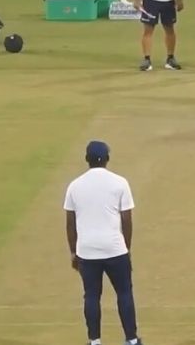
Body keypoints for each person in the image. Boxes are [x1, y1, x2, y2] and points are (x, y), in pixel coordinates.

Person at [64, 141, 143, 345]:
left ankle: (94, 341)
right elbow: (126, 219)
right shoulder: (119, 183)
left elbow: (70, 223)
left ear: (87, 160)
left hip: (87, 252)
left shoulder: (74, 185)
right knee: (124, 293)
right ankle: (132, 340)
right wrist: (126, 248)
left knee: (91, 296)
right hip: (115, 248)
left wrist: (74, 252)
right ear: (107, 158)